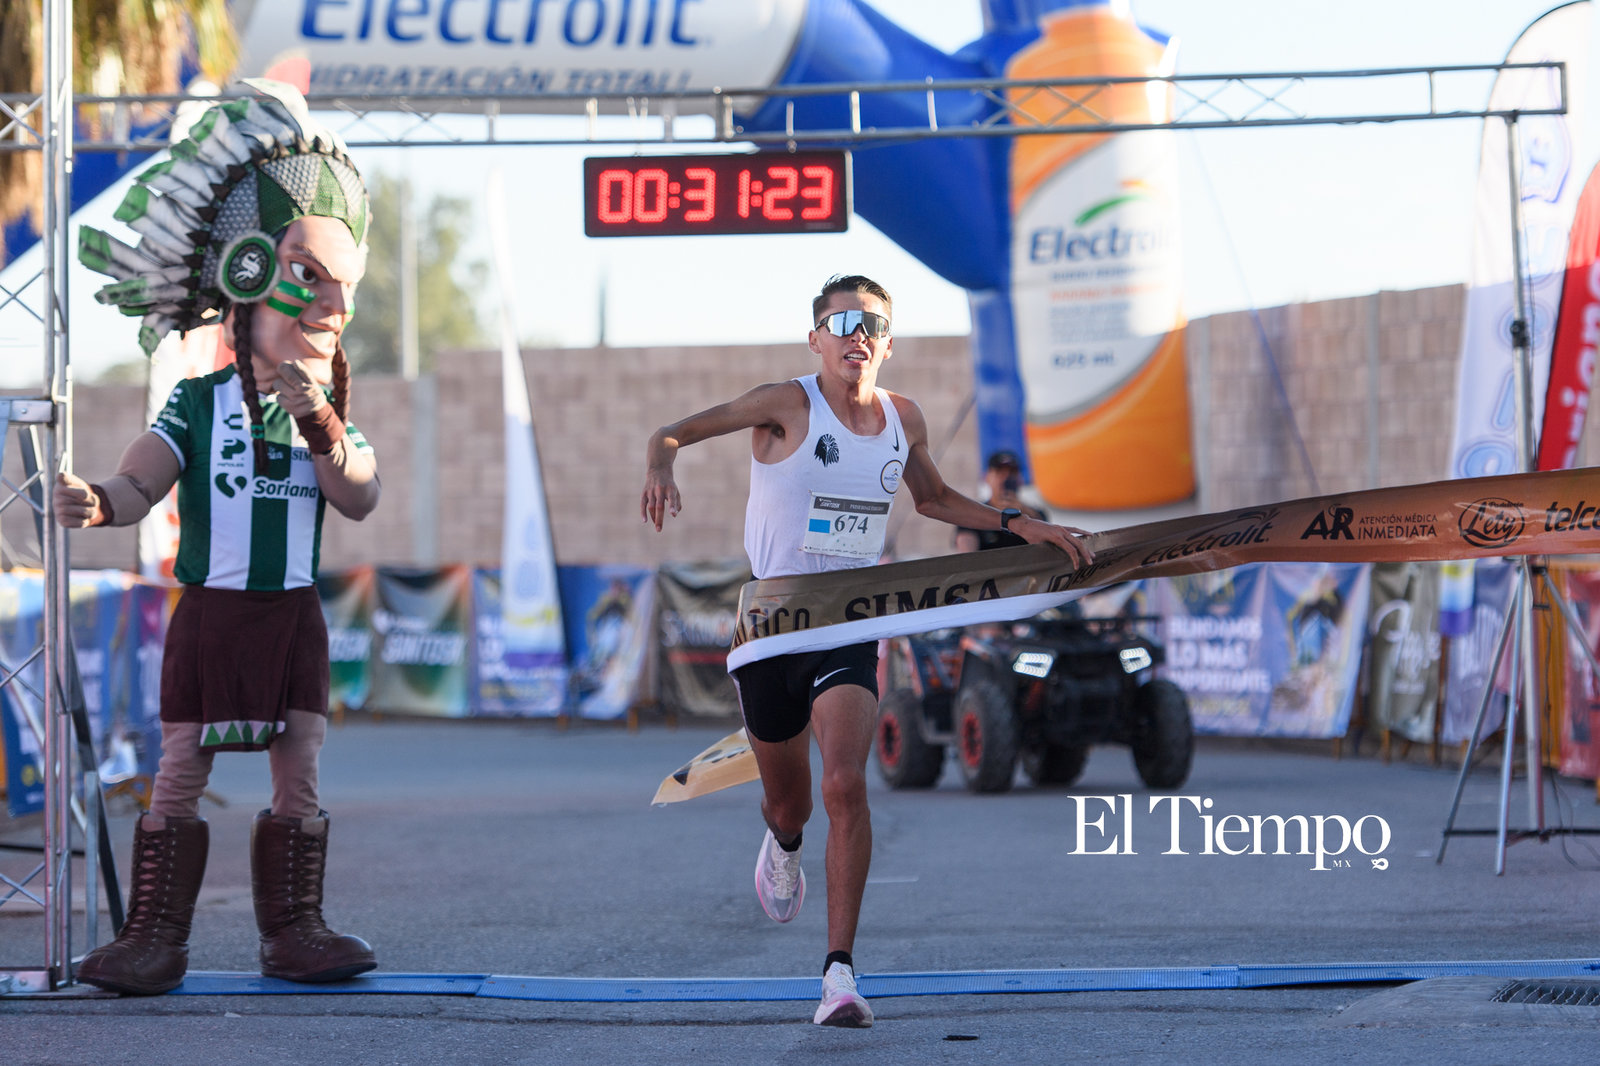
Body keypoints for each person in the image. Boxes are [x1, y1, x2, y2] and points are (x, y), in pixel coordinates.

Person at [640, 274, 1093, 1027]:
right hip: (773, 628)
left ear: (888, 341)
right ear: (816, 337)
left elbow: (936, 499)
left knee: (846, 783)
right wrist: (660, 462)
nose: (857, 333)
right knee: (792, 800)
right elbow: (672, 432)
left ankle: (839, 976)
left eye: (872, 323)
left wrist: (1022, 523)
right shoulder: (785, 403)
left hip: (850, 622)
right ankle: (783, 841)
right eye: (841, 321)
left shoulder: (902, 418)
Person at [54, 82, 381, 995]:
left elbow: (360, 496)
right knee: (179, 775)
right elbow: (139, 479)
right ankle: (156, 938)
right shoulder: (197, 403)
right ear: (249, 277)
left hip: (290, 616)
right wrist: (97, 499)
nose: (329, 305)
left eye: (343, 287)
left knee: (299, 776)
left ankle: (295, 931)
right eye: (310, 277)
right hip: (212, 615)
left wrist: (320, 422)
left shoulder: (330, 411)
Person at [954, 449, 1049, 552]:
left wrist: (1025, 515)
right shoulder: (972, 515)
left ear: (1020, 479)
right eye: (999, 472)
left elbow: (1045, 546)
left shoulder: (1034, 514)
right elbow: (966, 552)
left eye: (1012, 472)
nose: (1006, 477)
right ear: (987, 477)